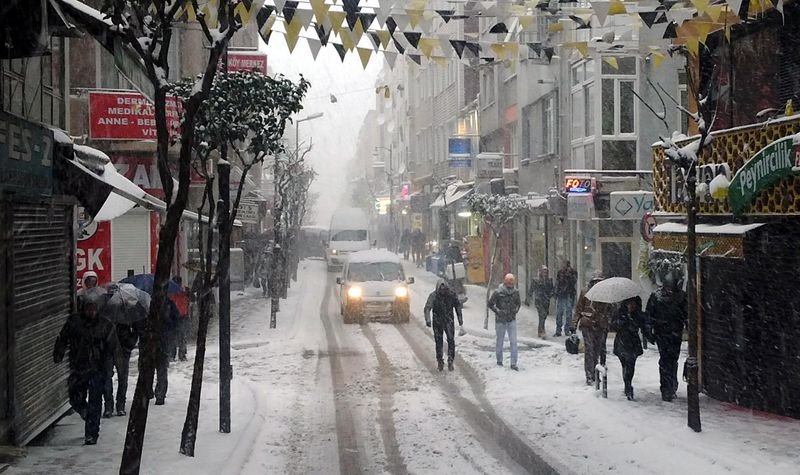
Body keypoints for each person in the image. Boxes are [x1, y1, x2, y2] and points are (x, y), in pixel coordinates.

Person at [53, 299, 117, 445]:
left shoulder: (105, 325)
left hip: (98, 369)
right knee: (75, 397)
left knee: (95, 402)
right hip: (79, 367)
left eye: (94, 309)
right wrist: (59, 353)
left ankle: (92, 433)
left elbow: (112, 348)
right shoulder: (75, 323)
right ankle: (87, 414)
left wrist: (109, 368)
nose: (91, 312)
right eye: (89, 309)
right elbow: (63, 338)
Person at [646, 279, 687, 402]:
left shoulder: (680, 296)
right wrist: (649, 332)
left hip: (674, 332)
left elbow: (686, 314)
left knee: (672, 359)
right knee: (665, 360)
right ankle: (666, 388)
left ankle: (671, 385)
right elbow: (649, 315)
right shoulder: (656, 297)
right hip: (663, 333)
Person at [571, 274, 612, 385]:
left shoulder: (605, 294)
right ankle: (589, 375)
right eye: (596, 281)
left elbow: (609, 311)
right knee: (589, 349)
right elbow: (579, 309)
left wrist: (607, 318)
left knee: (597, 350)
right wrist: (574, 325)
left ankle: (595, 372)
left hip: (600, 325)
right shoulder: (585, 292)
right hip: (587, 324)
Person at [424, 280, 464, 372]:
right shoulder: (434, 296)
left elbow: (458, 307)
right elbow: (427, 308)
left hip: (448, 320)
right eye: (441, 290)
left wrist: (460, 319)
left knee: (450, 340)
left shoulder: (451, 295)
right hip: (438, 321)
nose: (442, 291)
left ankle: (450, 360)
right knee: (439, 342)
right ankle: (440, 361)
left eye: (444, 290)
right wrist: (428, 319)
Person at [612, 297, 646, 401]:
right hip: (621, 341)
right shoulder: (619, 313)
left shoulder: (638, 314)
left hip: (633, 343)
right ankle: (627, 383)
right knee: (625, 364)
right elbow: (613, 325)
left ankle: (628, 385)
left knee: (630, 364)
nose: (631, 306)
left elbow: (643, 325)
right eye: (629, 303)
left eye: (633, 303)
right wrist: (623, 321)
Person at [488, 274, 521, 370]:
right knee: (500, 341)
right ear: (505, 282)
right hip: (500, 321)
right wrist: (498, 312)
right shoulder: (498, 292)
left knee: (513, 341)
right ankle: (499, 360)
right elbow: (490, 304)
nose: (511, 284)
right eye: (509, 282)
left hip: (511, 319)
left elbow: (518, 304)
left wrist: (515, 310)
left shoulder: (516, 292)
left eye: (512, 282)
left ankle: (513, 363)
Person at [528, 266, 554, 338]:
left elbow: (552, 289)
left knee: (544, 315)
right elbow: (531, 290)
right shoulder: (536, 280)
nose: (545, 274)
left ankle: (541, 329)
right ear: (540, 272)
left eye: (546, 272)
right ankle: (542, 331)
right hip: (539, 300)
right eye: (543, 272)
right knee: (542, 314)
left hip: (546, 300)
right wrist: (529, 298)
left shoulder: (549, 280)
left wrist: (551, 294)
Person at [555, 260, 578, 337]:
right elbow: (558, 283)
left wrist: (569, 276)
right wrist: (557, 292)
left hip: (569, 294)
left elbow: (574, 282)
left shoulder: (572, 272)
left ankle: (567, 329)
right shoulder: (560, 272)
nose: (563, 266)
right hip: (561, 294)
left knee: (568, 313)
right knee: (559, 313)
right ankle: (558, 330)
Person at [171, 276, 190, 362]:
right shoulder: (184, 291)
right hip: (182, 315)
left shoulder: (171, 291)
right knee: (181, 336)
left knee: (174, 336)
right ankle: (181, 355)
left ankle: (172, 355)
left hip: (174, 316)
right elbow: (191, 298)